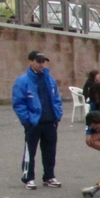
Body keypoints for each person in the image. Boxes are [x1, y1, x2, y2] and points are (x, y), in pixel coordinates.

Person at [12, 50, 63, 189]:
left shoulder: (49, 79)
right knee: (30, 150)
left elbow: (56, 98)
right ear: (31, 62)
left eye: (43, 61)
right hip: (33, 122)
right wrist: (26, 120)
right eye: (38, 61)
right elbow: (18, 103)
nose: (41, 64)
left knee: (50, 150)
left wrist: (57, 114)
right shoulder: (22, 81)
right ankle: (28, 177)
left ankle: (49, 176)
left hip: (50, 120)